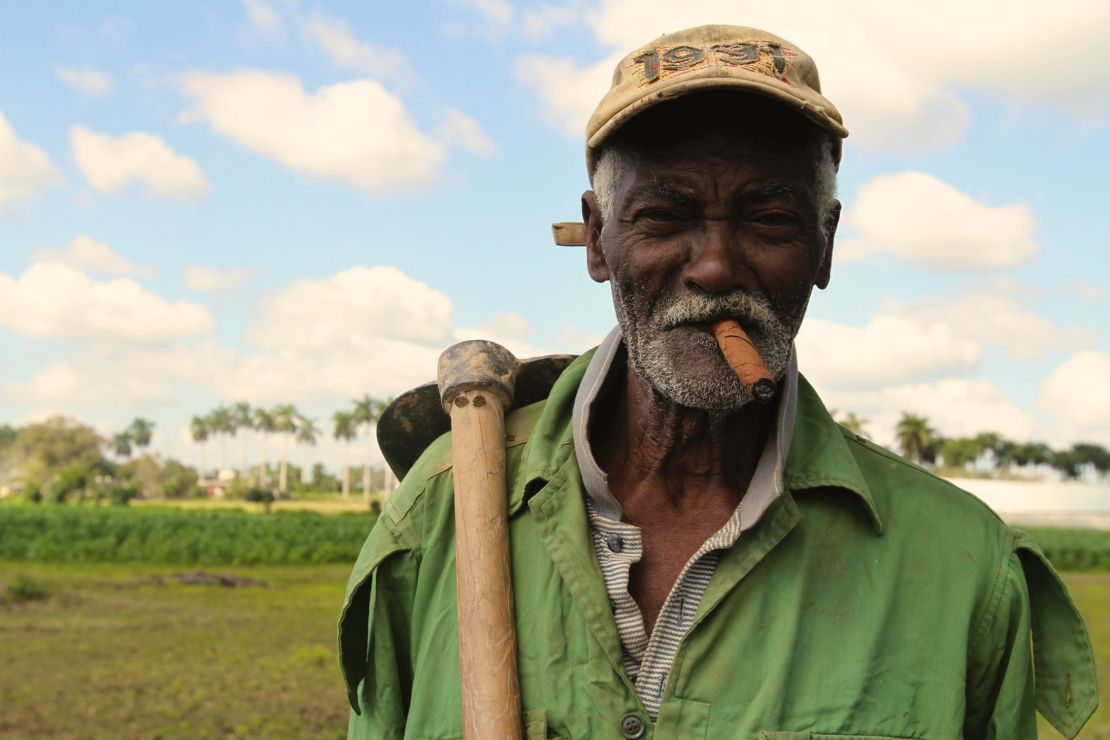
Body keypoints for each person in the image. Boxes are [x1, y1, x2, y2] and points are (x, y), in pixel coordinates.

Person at [340, 25, 1097, 739]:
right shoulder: (439, 517)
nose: (714, 266)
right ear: (597, 239)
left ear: (824, 246)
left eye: (768, 219)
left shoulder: (962, 570)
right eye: (664, 217)